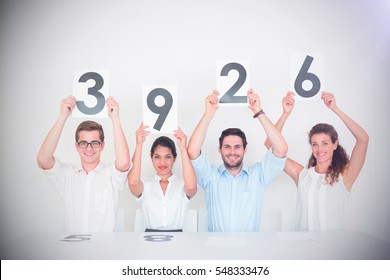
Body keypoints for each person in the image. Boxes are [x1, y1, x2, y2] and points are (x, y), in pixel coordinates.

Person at [265, 91, 369, 231]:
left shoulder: (345, 176)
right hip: (304, 249)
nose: (320, 149)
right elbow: (270, 145)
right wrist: (285, 114)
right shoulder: (302, 175)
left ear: (335, 144)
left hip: (335, 250)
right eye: (315, 144)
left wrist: (335, 109)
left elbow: (363, 139)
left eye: (325, 143)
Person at [187, 89, 288, 232]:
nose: (232, 152)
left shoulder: (259, 174)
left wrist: (258, 111)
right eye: (227, 147)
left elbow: (281, 149)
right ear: (219, 149)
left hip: (249, 251)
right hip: (217, 250)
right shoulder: (210, 176)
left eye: (237, 147)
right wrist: (209, 113)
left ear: (245, 150)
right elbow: (192, 151)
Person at [37, 95, 130, 232]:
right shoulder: (67, 175)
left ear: (102, 145)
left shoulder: (110, 175)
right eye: (83, 143)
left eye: (94, 143)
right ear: (76, 146)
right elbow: (43, 160)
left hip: (104, 250)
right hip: (72, 250)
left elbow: (124, 163)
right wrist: (63, 116)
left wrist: (115, 119)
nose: (89, 148)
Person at [128, 123, 197, 232]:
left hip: (177, 241)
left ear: (174, 158)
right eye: (157, 157)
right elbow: (132, 183)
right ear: (151, 158)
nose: (162, 162)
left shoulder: (182, 185)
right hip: (150, 241)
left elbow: (192, 187)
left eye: (168, 157)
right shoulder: (146, 184)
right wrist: (139, 145)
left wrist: (183, 149)